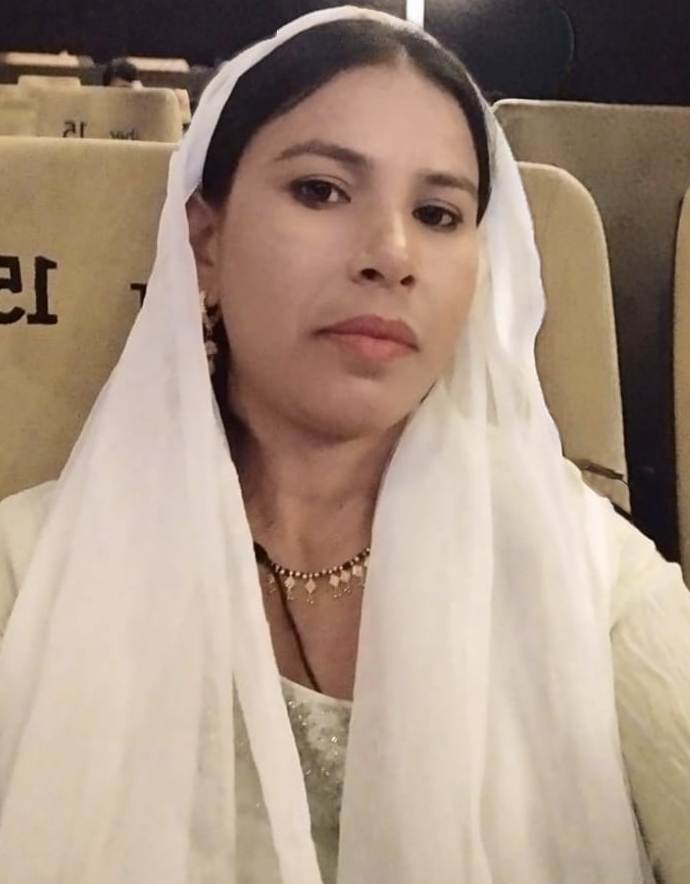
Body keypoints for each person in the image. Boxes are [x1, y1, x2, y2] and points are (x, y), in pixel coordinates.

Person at [0, 6, 688, 882]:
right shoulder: (32, 574)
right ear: (205, 242)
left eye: (438, 213)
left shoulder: (579, 568)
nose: (392, 254)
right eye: (322, 190)